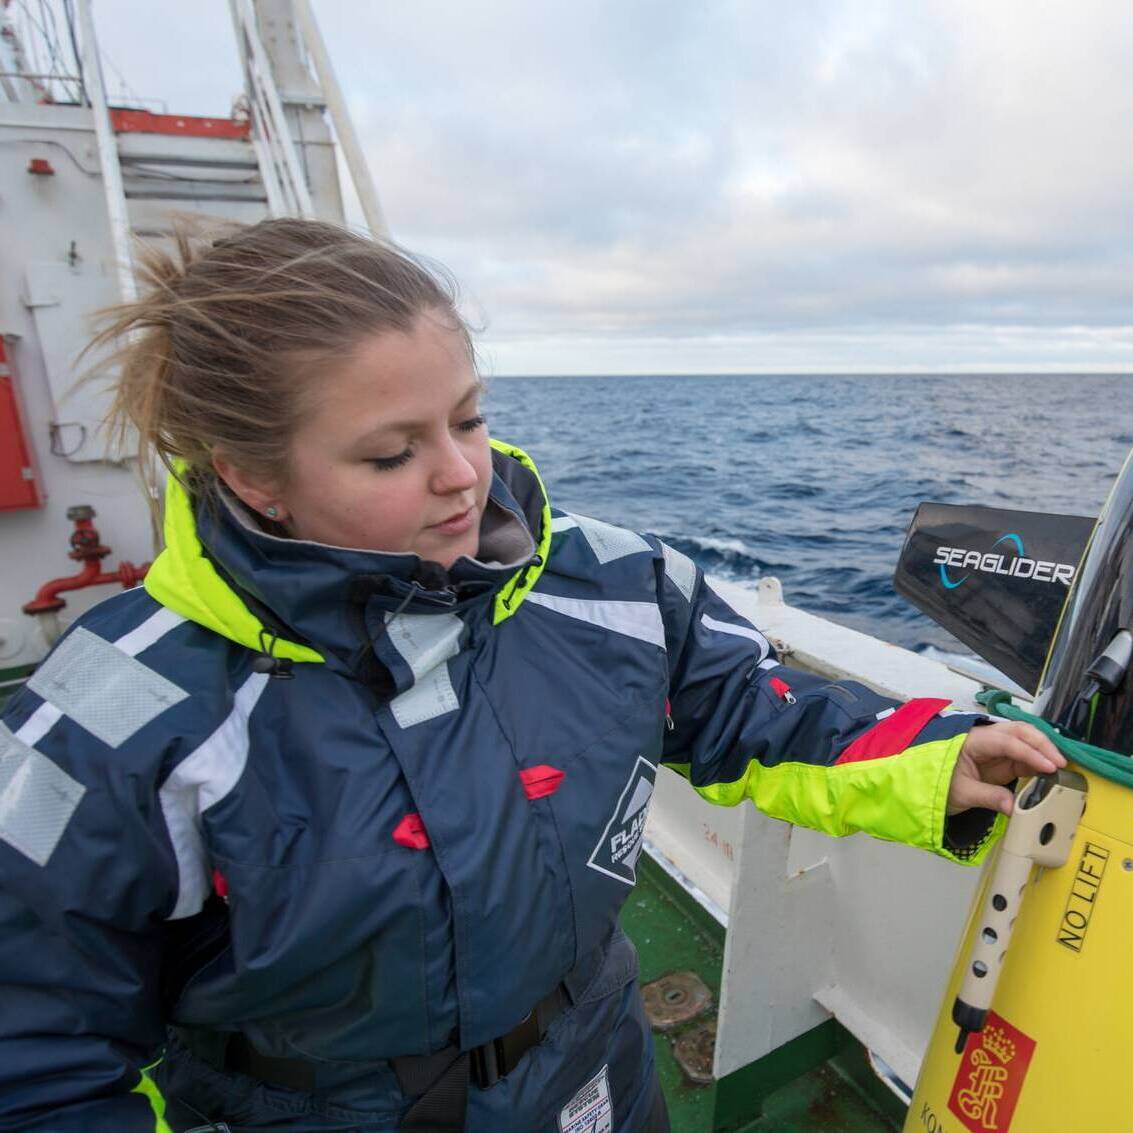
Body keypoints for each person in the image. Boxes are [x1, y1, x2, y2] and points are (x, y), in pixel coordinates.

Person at [0, 219, 1064, 1133]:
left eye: (467, 417)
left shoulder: (609, 580)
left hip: (591, 1072)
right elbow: (41, 1044)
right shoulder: (113, 718)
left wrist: (932, 754)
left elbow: (744, 708)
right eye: (390, 454)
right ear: (252, 477)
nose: (461, 473)